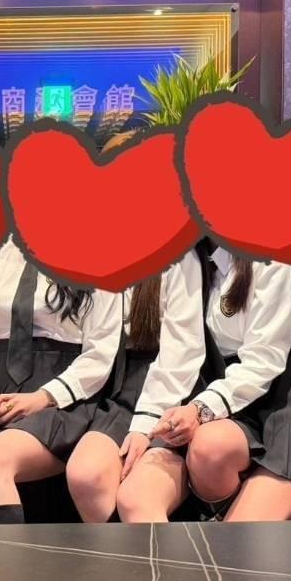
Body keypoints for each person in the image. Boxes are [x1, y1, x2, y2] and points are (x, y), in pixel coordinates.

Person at [64, 132, 207, 524]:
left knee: (137, 499)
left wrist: (145, 426)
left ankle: (154, 564)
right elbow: (97, 346)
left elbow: (183, 352)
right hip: (120, 391)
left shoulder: (180, 257)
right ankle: (116, 562)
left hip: (173, 392)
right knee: (84, 475)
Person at [0, 238, 122, 525]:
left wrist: (43, 397)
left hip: (62, 399)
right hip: (0, 388)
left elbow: (101, 353)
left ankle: (7, 556)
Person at [149, 249, 291, 522]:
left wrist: (199, 409)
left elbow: (264, 361)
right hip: (210, 387)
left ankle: (221, 535)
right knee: (136, 495)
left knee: (210, 448)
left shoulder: (274, 259)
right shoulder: (191, 262)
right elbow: (175, 355)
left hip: (277, 395)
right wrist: (146, 423)